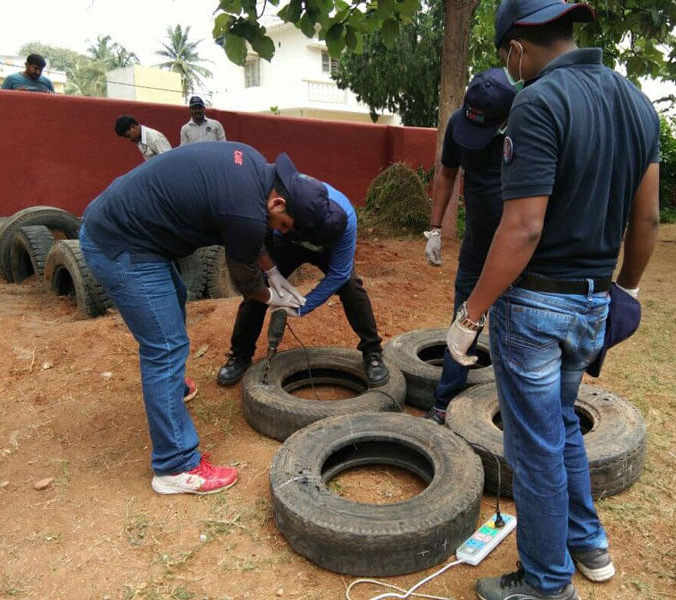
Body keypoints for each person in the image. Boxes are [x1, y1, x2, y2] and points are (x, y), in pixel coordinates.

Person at [445, 1, 660, 599]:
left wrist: (470, 314)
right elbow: (647, 217)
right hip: (593, 305)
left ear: (517, 46)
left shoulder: (538, 102)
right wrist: (627, 288)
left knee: (535, 449)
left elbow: (523, 228)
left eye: (504, 56)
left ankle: (545, 582)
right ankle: (588, 544)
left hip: (536, 311)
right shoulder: (637, 102)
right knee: (561, 426)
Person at [79, 141, 340, 496]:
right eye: (283, 225)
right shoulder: (246, 213)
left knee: (175, 299)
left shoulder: (254, 169)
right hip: (121, 244)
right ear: (278, 203)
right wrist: (272, 297)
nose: (280, 231)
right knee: (165, 347)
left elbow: (252, 233)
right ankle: (175, 465)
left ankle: (171, 389)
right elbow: (245, 280)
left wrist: (273, 272)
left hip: (127, 224)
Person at [216, 160, 390, 389]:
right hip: (287, 242)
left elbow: (339, 274)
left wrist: (301, 307)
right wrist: (272, 274)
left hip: (327, 250)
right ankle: (240, 354)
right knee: (259, 289)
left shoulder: (345, 222)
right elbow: (260, 241)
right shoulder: (285, 205)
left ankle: (372, 351)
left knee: (351, 286)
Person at [422, 67, 516, 425]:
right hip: (477, 244)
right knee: (463, 321)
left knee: (513, 328)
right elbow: (447, 173)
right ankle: (443, 403)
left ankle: (513, 414)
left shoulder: (527, 128)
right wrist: (434, 229)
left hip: (518, 249)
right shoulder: (458, 123)